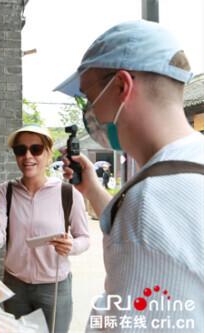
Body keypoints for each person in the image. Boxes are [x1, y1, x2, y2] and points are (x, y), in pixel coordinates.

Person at [55, 20, 204, 331]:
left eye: (89, 96)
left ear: (122, 86)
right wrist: (93, 190)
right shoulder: (193, 161)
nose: (90, 111)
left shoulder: (149, 204)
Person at [0, 125, 90, 332]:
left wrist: (71, 246)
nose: (27, 156)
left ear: (48, 153)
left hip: (54, 287)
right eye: (21, 150)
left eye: (35, 149)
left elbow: (84, 238)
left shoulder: (68, 193)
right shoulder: (4, 191)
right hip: (15, 285)